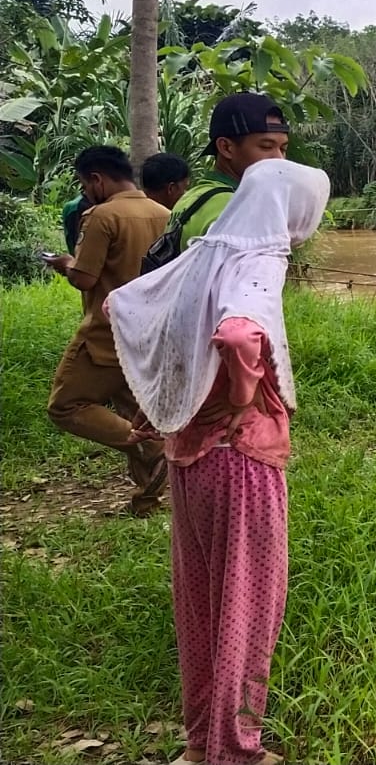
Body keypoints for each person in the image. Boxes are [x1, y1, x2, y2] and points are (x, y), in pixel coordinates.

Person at [108, 159, 329, 765]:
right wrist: (238, 395)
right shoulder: (258, 259)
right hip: (242, 460)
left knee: (202, 601)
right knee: (250, 604)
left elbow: (124, 306)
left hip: (190, 457)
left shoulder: (205, 253)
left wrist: (169, 401)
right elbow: (237, 335)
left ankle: (202, 737)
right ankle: (235, 749)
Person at [43, 146, 172, 515]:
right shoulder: (164, 213)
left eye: (85, 184)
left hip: (104, 332)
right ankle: (146, 502)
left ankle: (150, 447)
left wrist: (66, 263)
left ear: (97, 179)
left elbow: (85, 279)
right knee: (136, 415)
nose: (86, 191)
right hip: (147, 333)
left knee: (65, 406)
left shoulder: (101, 216)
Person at [166, 92, 291, 250]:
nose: (279, 159)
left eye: (283, 148)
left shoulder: (192, 197)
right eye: (266, 146)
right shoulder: (235, 209)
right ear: (226, 147)